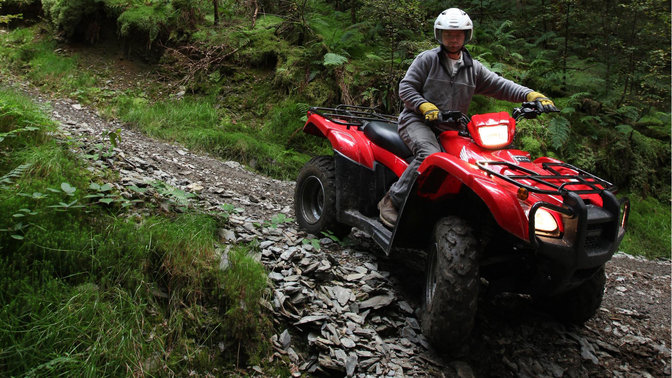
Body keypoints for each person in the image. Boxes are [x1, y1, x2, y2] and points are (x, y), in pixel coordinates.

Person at [377, 8, 558, 228]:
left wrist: (530, 94)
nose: (453, 39)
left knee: (481, 162)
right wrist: (423, 105)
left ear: (466, 36)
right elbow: (406, 88)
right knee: (430, 155)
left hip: (453, 126)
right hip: (418, 121)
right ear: (439, 35)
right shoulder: (427, 60)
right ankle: (392, 200)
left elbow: (501, 86)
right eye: (448, 34)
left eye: (458, 34)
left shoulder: (473, 68)